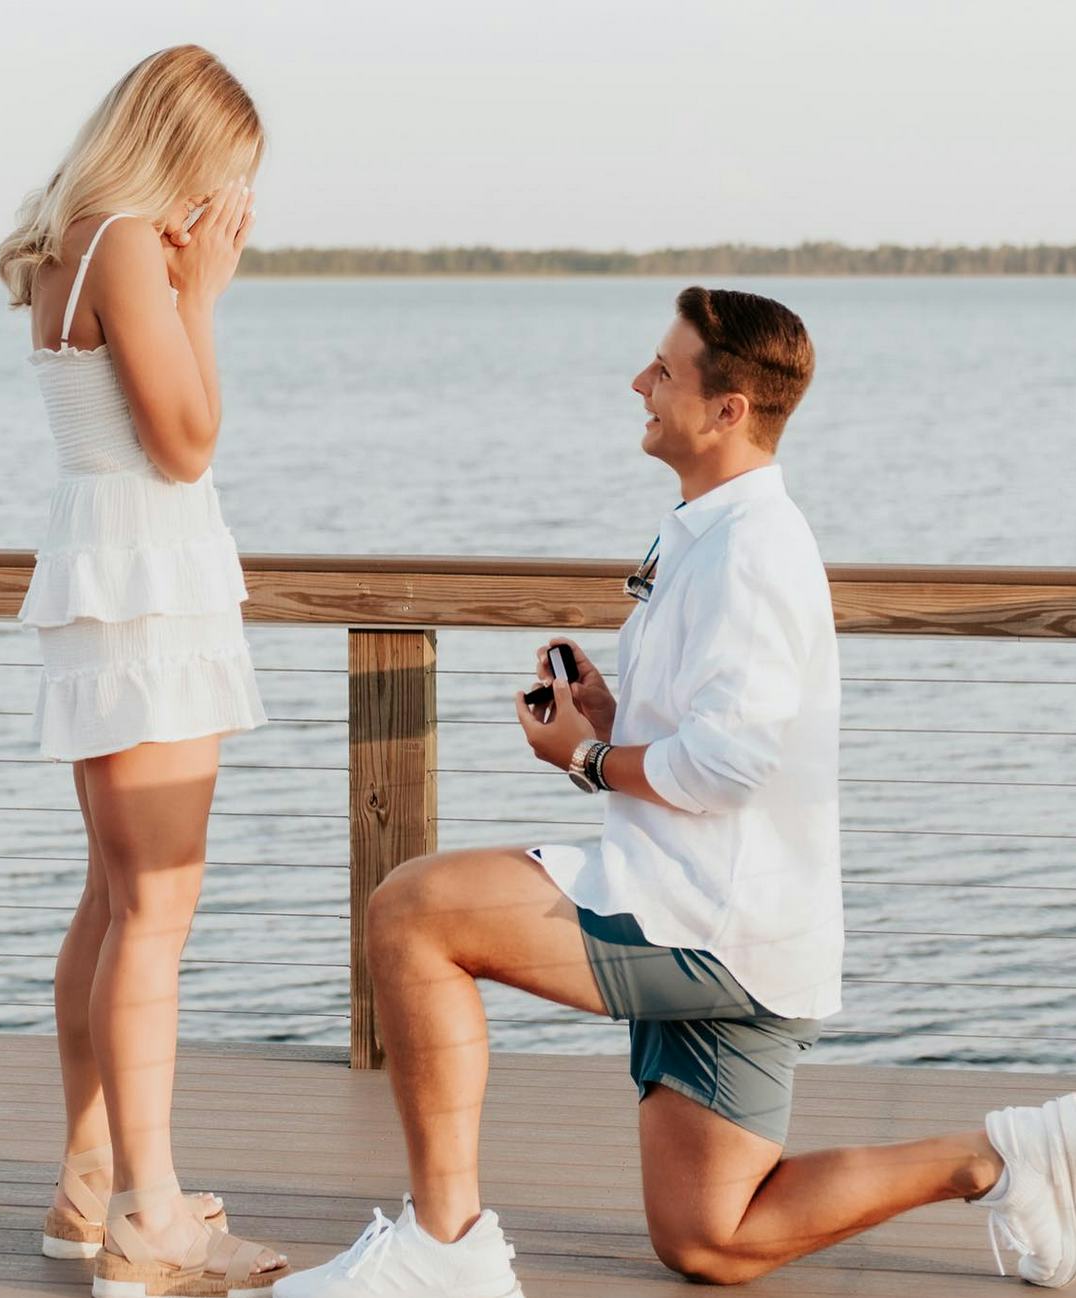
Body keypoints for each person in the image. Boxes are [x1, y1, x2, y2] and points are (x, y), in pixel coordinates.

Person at [273, 286, 1076, 1296]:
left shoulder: (750, 551)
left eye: (662, 369)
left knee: (411, 911)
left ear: (727, 408)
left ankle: (445, 1251)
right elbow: (720, 741)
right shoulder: (708, 532)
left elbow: (728, 764)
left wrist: (583, 760)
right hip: (730, 911)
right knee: (708, 1238)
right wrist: (606, 717)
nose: (638, 383)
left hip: (704, 917)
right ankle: (1004, 1153)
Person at [0, 44, 289, 1296]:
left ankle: (87, 1182)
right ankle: (151, 1215)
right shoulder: (124, 243)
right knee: (157, 909)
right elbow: (185, 444)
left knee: (115, 901)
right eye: (225, 184)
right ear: (185, 153)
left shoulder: (71, 236)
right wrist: (207, 293)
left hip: (104, 572)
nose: (224, 213)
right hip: (148, 585)